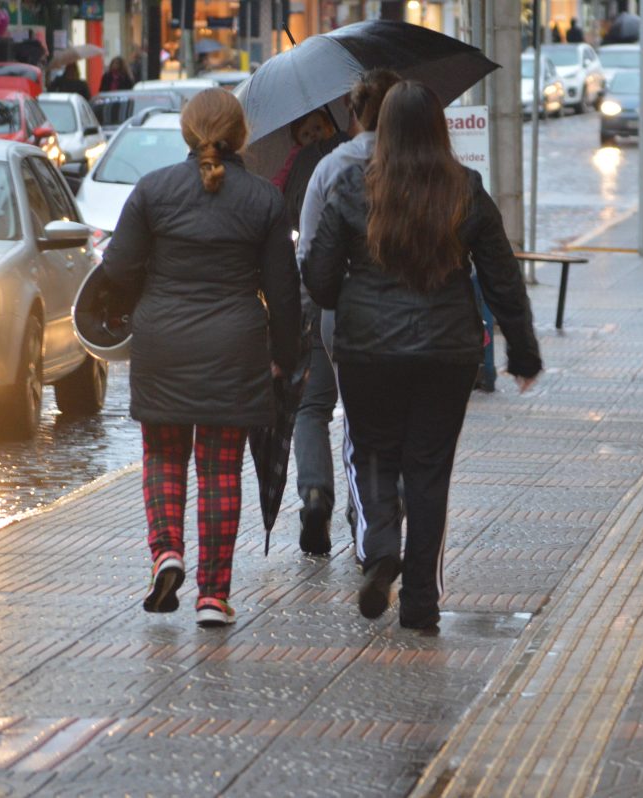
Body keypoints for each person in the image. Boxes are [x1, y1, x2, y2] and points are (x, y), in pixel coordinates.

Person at [302, 81, 542, 629]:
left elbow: (317, 278)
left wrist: (355, 299)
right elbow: (502, 277)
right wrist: (523, 352)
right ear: (441, 128)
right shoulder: (466, 189)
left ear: (381, 128)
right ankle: (421, 604)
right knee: (430, 473)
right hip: (446, 352)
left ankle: (382, 548)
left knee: (374, 454)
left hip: (366, 352)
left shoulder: (350, 186)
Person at [101, 88, 301, 626]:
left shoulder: (152, 190)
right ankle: (213, 596)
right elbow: (284, 293)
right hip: (234, 348)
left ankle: (166, 553)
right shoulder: (263, 199)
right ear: (241, 136)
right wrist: (285, 357)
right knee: (220, 471)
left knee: (163, 457)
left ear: (187, 134)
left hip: (163, 344)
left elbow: (117, 269)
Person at [293, 68, 401, 556]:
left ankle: (316, 491)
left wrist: (308, 308)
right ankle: (367, 514)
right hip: (401, 308)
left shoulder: (331, 166)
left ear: (354, 114)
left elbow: (309, 250)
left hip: (333, 305)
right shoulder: (417, 162)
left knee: (312, 406)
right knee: (367, 415)